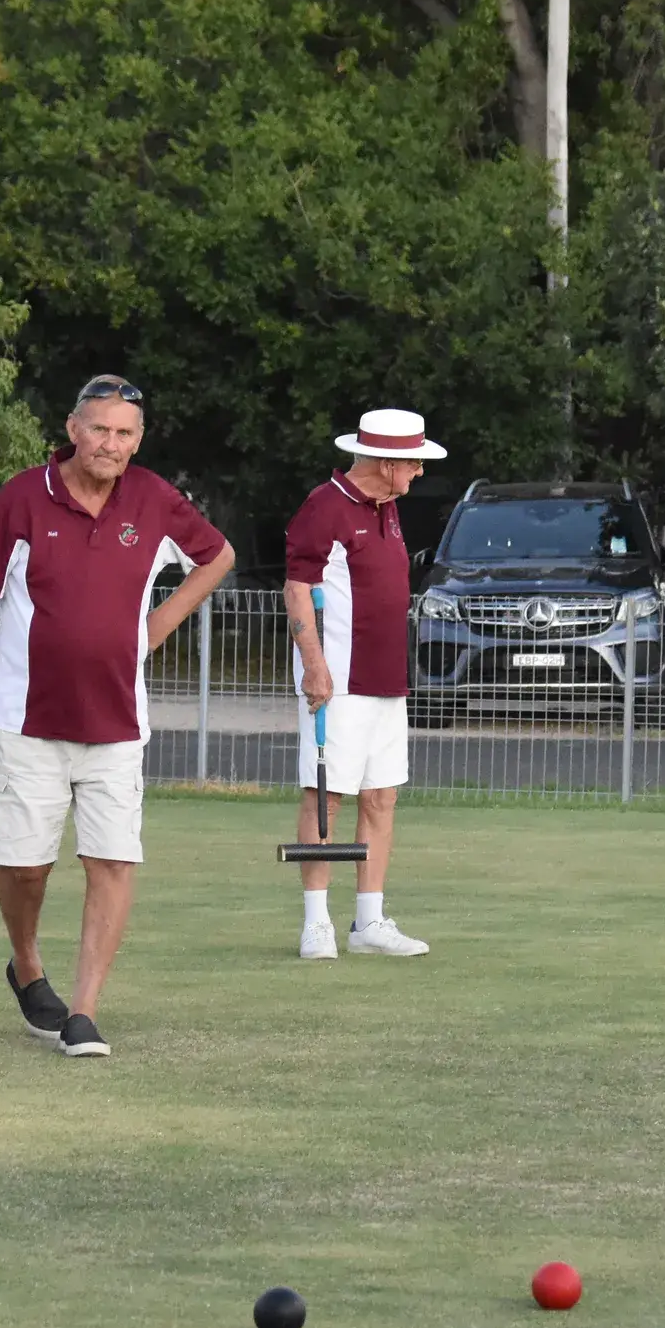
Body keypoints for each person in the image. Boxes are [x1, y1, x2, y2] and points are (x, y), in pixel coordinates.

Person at [0, 375, 235, 1056]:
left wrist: (154, 628)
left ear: (138, 441)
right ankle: (27, 964)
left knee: (112, 861)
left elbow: (218, 556)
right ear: (73, 429)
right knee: (25, 868)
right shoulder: (22, 497)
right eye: (99, 429)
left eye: (125, 433)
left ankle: (86, 1011)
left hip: (119, 722)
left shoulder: (153, 498)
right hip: (26, 721)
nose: (111, 443)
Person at [284, 408, 439, 959]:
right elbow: (297, 588)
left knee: (381, 797)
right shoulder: (324, 507)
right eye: (414, 461)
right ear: (385, 460)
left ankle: (368, 923)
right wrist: (314, 665)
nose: (419, 471)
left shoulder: (389, 509)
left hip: (386, 681)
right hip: (339, 682)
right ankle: (316, 923)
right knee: (326, 797)